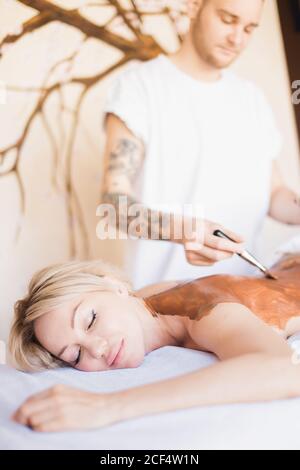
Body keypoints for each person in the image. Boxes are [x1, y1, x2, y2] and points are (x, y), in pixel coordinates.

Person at [100, 0, 300, 291]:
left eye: (249, 28)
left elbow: (275, 194)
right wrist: (185, 231)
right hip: (162, 304)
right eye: (228, 19)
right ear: (194, 6)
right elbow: (113, 205)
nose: (237, 39)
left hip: (244, 299)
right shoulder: (138, 87)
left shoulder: (251, 98)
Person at [9, 243, 300, 432]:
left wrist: (108, 406)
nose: (97, 348)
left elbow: (287, 371)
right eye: (75, 355)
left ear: (115, 286)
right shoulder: (139, 303)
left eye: (91, 319)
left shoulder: (202, 308)